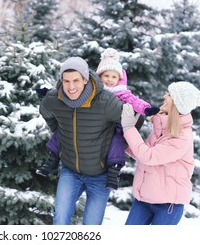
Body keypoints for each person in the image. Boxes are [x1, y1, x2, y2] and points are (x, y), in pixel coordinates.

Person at [36, 48, 159, 191]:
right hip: (93, 125)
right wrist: (48, 93)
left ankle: (114, 172)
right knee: (64, 130)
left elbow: (135, 102)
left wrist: (146, 109)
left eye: (114, 77)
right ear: (100, 75)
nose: (110, 80)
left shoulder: (122, 93)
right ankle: (52, 161)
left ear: (119, 79)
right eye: (106, 75)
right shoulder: (92, 90)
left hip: (114, 126)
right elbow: (69, 88)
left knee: (116, 143)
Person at [39, 55, 124, 225]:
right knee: (60, 219)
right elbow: (45, 111)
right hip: (70, 172)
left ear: (85, 79)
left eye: (76, 80)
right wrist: (59, 130)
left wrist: (116, 145)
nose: (71, 87)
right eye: (66, 81)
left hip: (100, 175)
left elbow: (132, 122)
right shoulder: (54, 99)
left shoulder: (106, 102)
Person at [121, 81, 200, 225]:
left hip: (168, 205)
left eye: (169, 95)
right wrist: (122, 143)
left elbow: (148, 156)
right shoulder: (162, 127)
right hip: (144, 199)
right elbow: (144, 152)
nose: (164, 96)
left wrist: (128, 128)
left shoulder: (181, 136)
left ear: (176, 103)